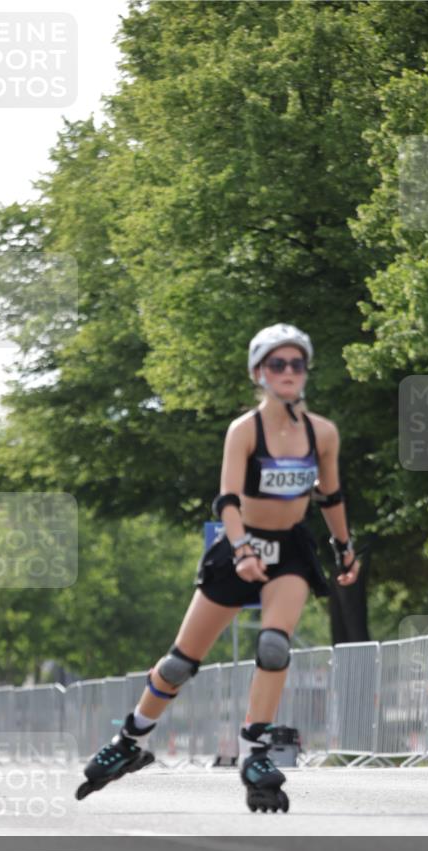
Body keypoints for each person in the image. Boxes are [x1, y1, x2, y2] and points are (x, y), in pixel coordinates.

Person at [76, 324, 360, 811]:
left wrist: (344, 547)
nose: (288, 372)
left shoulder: (323, 433)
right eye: (278, 364)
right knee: (178, 664)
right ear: (259, 373)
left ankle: (255, 749)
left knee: (273, 645)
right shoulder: (245, 430)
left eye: (296, 363)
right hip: (240, 543)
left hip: (289, 548)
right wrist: (243, 549)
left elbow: (330, 495)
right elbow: (227, 498)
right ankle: (131, 740)